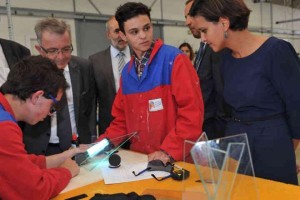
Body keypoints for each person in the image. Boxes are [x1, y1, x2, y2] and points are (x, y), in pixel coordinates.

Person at [190, 0, 300, 185]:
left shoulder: (275, 51)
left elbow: (296, 106)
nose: (203, 39)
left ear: (224, 23)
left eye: (204, 30)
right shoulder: (223, 58)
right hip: (236, 150)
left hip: (272, 149)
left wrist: (285, 152)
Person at [97, 2, 204, 164]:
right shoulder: (127, 73)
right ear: (124, 36)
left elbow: (192, 114)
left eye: (147, 28)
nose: (143, 35)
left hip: (177, 160)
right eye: (134, 32)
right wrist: (100, 145)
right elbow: (122, 120)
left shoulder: (175, 60)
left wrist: (168, 151)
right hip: (141, 161)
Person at [0, 56, 83, 199]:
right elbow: (32, 191)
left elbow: (17, 163)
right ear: (37, 97)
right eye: (53, 106)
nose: (51, 114)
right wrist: (66, 172)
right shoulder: (4, 128)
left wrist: (62, 157)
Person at [22, 18, 96, 156]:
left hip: (78, 146)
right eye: (53, 50)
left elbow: (89, 108)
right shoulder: (27, 72)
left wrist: (91, 138)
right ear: (39, 49)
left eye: (66, 49)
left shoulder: (84, 67)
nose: (60, 56)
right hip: (40, 149)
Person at [184, 0, 228, 140]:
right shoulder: (204, 47)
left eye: (191, 15)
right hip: (203, 126)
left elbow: (221, 93)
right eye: (185, 17)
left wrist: (220, 136)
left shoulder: (215, 47)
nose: (188, 22)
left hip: (215, 130)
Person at [89, 16, 131, 135]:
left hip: (138, 125)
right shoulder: (95, 61)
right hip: (109, 127)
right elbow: (92, 102)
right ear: (108, 35)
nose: (121, 35)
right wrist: (92, 133)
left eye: (123, 30)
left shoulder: (140, 56)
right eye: (117, 31)